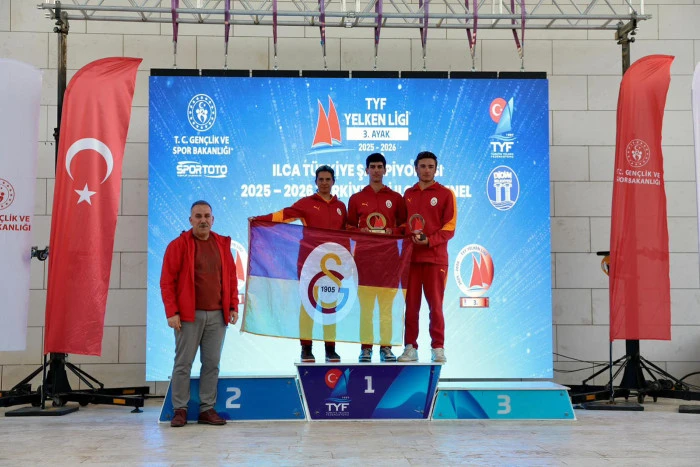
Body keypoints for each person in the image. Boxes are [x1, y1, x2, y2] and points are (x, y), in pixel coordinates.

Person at [160, 200, 239, 427]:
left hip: (217, 316)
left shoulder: (222, 244)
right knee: (183, 364)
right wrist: (172, 312)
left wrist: (233, 306)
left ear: (213, 220)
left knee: (212, 364)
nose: (203, 220)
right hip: (187, 316)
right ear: (190, 220)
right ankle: (180, 410)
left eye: (206, 216)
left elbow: (231, 278)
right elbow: (167, 282)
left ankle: (206, 409)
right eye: (198, 216)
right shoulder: (178, 245)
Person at [257, 165, 347, 363]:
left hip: (332, 266)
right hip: (309, 264)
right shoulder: (306, 203)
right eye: (321, 179)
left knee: (330, 307)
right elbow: (282, 215)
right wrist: (259, 220)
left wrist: (346, 262)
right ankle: (306, 349)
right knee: (308, 307)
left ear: (334, 181)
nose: (324, 183)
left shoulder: (341, 207)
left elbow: (345, 236)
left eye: (328, 179)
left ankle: (330, 349)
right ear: (316, 182)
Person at [347, 153, 406, 363]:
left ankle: (386, 348)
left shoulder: (396, 198)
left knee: (386, 308)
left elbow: (404, 226)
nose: (376, 170)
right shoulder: (356, 198)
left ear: (385, 170)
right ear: (366, 170)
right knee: (366, 308)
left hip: (389, 260)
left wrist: (391, 231)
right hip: (364, 260)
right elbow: (348, 228)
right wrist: (360, 231)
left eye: (380, 166)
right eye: (372, 167)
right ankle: (366, 349)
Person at [398, 151, 457, 363]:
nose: (426, 170)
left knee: (436, 307)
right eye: (422, 166)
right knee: (411, 308)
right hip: (412, 260)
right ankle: (410, 347)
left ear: (436, 169)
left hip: (435, 259)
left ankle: (438, 347)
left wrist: (429, 241)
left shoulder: (445, 194)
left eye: (430, 166)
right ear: (416, 168)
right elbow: (403, 224)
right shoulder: (408, 194)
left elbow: (449, 227)